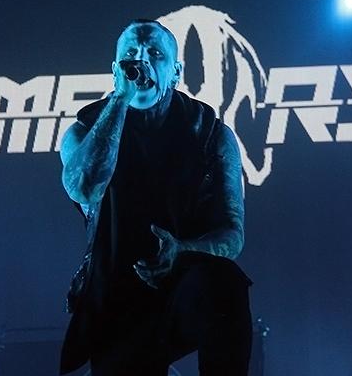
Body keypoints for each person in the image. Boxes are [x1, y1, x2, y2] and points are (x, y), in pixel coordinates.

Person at [59, 19, 252, 376]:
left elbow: (232, 234)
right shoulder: (84, 131)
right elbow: (84, 188)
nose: (141, 62)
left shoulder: (211, 134)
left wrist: (182, 250)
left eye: (155, 54)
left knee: (226, 282)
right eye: (131, 54)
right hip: (116, 297)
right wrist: (120, 98)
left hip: (181, 286)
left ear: (176, 72)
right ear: (116, 70)